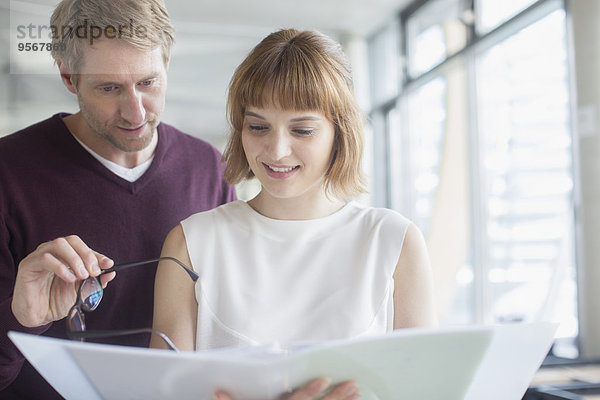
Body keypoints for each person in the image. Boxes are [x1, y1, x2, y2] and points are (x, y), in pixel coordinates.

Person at [151, 28, 437, 400]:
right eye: (258, 127)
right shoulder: (192, 243)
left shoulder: (394, 241)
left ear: (340, 132)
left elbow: (426, 390)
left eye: (301, 130)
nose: (277, 149)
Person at [0, 0, 236, 397]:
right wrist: (20, 319)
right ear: (68, 76)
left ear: (166, 62)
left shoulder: (208, 168)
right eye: (109, 88)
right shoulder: (8, 173)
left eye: (148, 82)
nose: (135, 112)